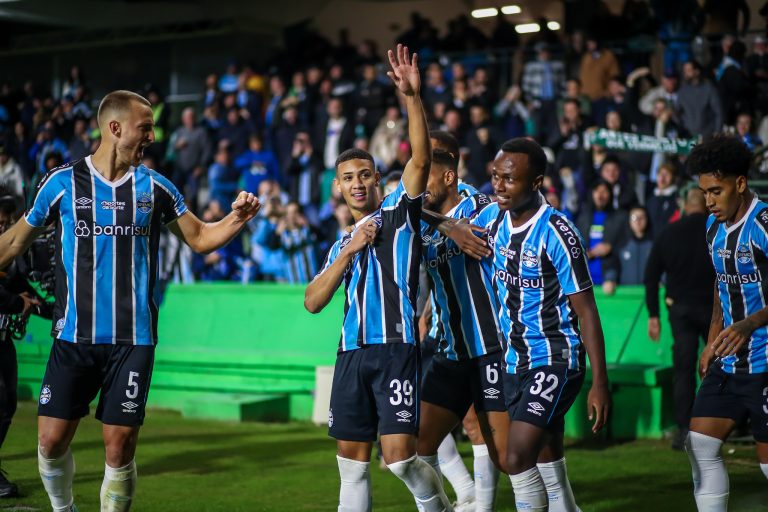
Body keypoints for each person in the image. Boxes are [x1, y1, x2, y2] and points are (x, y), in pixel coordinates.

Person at [0, 90, 261, 512]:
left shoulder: (156, 187)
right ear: (115, 129)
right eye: (146, 127)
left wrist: (237, 218)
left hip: (133, 341)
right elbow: (13, 241)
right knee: (50, 443)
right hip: (73, 338)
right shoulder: (61, 183)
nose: (153, 136)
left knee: (119, 447)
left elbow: (199, 238)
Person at [303, 45, 452, 512]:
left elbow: (422, 161)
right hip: (350, 354)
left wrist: (412, 97)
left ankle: (443, 507)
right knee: (350, 464)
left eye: (365, 174)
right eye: (349, 178)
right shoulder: (339, 242)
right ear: (338, 187)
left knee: (400, 460)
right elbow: (312, 301)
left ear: (378, 177)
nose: (358, 184)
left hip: (394, 348)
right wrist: (349, 249)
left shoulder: (399, 212)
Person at [436, 138, 611, 511]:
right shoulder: (495, 217)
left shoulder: (558, 233)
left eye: (510, 179)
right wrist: (450, 228)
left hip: (554, 359)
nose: (498, 186)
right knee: (546, 457)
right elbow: (446, 221)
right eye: (495, 177)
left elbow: (588, 312)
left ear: (536, 183)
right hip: (514, 362)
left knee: (514, 458)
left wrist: (601, 383)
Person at [417, 130, 507, 512]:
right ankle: (463, 495)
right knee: (409, 450)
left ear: (449, 174)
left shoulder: (485, 209)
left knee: (505, 451)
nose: (418, 188)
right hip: (451, 351)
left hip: (492, 349)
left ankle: (481, 504)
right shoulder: (422, 221)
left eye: (426, 179)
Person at [684, 134, 768, 510]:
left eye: (716, 191)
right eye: (704, 192)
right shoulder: (713, 228)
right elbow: (722, 284)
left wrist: (749, 324)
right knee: (700, 447)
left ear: (740, 183)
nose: (709, 201)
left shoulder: (763, 224)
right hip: (729, 361)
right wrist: (713, 337)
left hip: (766, 362)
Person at [645, 188, 714, 450]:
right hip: (713, 311)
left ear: (684, 205)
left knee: (683, 371)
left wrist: (654, 315)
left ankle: (684, 429)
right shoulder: (715, 232)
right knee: (715, 368)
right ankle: (715, 425)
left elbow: (651, 276)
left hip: (680, 311)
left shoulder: (668, 233)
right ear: (705, 205)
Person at [0, 190, 50, 499]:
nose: (2, 229)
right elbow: (16, 298)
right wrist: (18, 304)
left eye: (5, 223)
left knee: (6, 406)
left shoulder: (10, 258)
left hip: (4, 341)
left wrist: (59, 312)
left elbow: (25, 291)